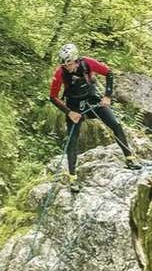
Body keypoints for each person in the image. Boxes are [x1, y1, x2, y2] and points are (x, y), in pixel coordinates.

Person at [49, 43, 141, 192]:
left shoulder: (87, 63)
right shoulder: (60, 73)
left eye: (70, 64)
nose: (68, 67)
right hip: (74, 107)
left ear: (76, 60)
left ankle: (129, 158)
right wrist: (69, 112)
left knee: (116, 124)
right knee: (72, 140)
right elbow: (53, 97)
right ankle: (73, 177)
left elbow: (109, 73)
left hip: (93, 101)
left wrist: (107, 96)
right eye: (65, 65)